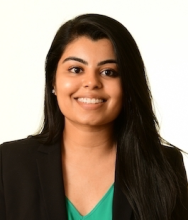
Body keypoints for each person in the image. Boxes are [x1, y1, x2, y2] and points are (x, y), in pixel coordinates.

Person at [0, 13, 187, 220]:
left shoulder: (164, 166)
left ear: (128, 86)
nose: (91, 82)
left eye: (109, 72)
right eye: (76, 69)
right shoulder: (8, 163)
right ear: (53, 81)